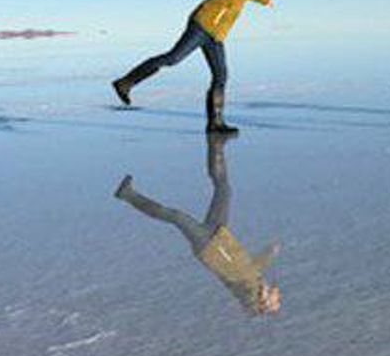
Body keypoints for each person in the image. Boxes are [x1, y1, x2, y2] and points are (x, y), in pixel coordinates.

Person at [114, 136, 282, 317]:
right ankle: (216, 146)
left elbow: (250, 305)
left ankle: (128, 195)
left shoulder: (247, 292)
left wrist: (262, 304)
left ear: (266, 304)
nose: (278, 295)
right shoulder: (256, 280)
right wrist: (271, 252)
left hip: (207, 245)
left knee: (176, 216)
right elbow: (255, 265)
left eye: (277, 301)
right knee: (224, 189)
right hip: (220, 232)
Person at [112, 0, 274, 135]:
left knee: (220, 76)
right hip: (202, 25)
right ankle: (125, 83)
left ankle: (215, 123)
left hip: (216, 35)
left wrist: (266, 0)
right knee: (173, 58)